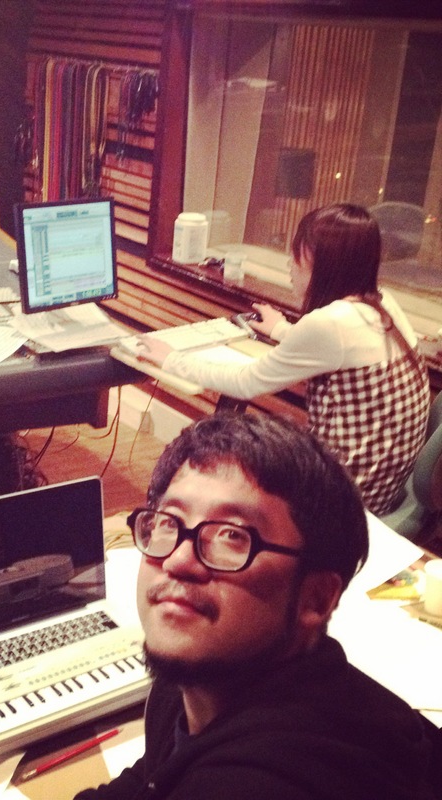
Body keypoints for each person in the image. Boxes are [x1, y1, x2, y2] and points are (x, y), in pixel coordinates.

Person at [75, 413, 441, 800]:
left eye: (233, 535)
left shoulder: (262, 782)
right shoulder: (196, 678)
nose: (178, 560)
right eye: (169, 521)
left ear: (316, 598)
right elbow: (154, 775)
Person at [138, 204, 430, 515]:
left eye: (297, 255)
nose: (290, 264)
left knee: (222, 460)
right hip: (382, 488)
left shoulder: (329, 324)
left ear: (324, 263)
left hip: (343, 499)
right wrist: (281, 330)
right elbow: (339, 349)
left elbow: (246, 383)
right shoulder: (382, 303)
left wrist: (171, 359)